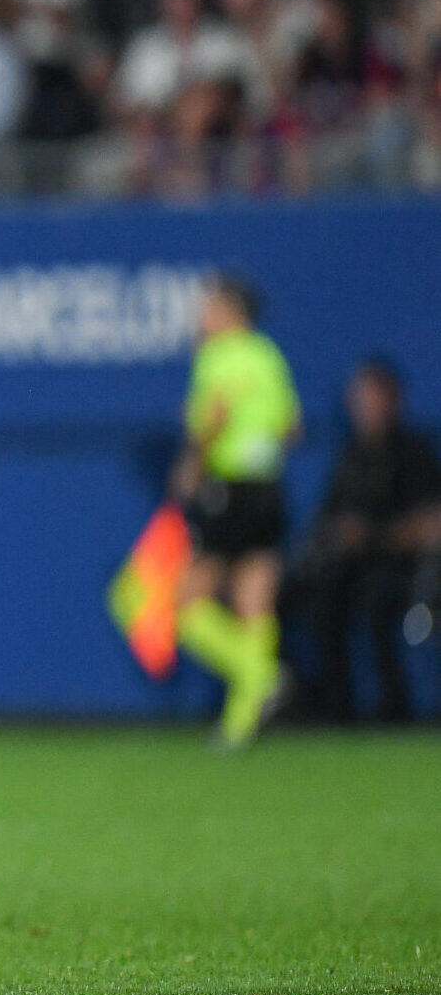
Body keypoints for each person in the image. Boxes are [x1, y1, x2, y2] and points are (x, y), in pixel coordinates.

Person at [172, 273, 301, 749]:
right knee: (254, 602)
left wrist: (193, 462)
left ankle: (262, 676)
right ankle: (241, 723)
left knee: (187, 603)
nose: (201, 316)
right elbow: (292, 427)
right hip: (269, 487)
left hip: (229, 488)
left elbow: (216, 415)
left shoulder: (217, 355)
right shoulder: (268, 355)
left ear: (229, 310)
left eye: (208, 307)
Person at [294, 359, 440, 723]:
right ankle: (335, 708)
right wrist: (339, 534)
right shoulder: (351, 455)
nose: (365, 408)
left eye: (372, 399)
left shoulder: (415, 452)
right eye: (359, 399)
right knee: (319, 600)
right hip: (351, 566)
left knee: (377, 601)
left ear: (393, 400)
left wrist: (374, 535)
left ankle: (394, 708)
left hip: (403, 568)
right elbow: (328, 517)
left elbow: (432, 522)